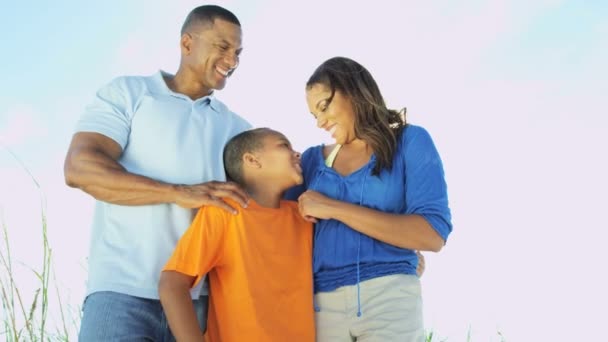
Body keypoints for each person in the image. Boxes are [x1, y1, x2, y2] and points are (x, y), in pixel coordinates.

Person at [63, 5, 251, 341]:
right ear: (187, 43)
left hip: (200, 304)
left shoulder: (238, 129)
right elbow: (80, 168)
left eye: (238, 52)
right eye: (223, 47)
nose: (233, 61)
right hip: (120, 293)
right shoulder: (130, 93)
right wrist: (180, 192)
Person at [286, 56, 452, 341]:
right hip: (321, 304)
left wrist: (333, 208)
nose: (320, 122)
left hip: (390, 297)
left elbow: (432, 233)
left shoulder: (410, 141)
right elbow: (270, 218)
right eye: (314, 115)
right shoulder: (312, 160)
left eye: (324, 107)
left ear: (352, 90)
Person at [159, 128, 315, 342]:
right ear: (252, 160)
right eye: (283, 145)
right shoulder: (225, 211)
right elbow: (172, 283)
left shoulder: (304, 216)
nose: (297, 153)